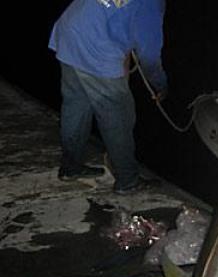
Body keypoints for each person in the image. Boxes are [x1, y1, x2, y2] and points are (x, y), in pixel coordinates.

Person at [48, 0, 167, 195]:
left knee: (75, 107)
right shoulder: (150, 4)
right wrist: (160, 85)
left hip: (70, 32)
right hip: (95, 50)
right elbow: (149, 56)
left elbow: (117, 20)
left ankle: (71, 167)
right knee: (118, 118)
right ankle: (128, 180)